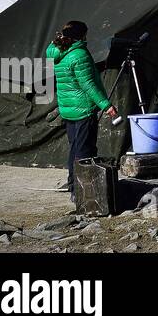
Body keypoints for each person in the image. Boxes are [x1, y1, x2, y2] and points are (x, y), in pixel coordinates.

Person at [46, 20, 117, 197]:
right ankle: (82, 193)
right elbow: (88, 85)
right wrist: (106, 105)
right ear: (82, 35)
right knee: (85, 151)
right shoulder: (79, 54)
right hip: (83, 108)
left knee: (74, 148)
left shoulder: (57, 51)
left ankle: (73, 185)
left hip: (68, 109)